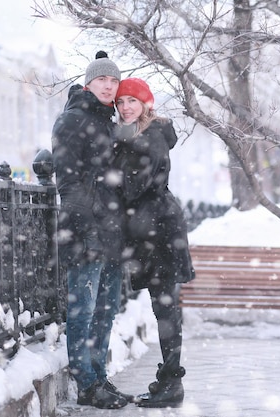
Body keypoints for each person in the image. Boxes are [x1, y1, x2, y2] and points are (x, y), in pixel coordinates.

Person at [51, 51, 132, 409]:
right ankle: (86, 383)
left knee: (105, 311)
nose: (108, 86)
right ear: (89, 83)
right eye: (102, 80)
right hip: (85, 234)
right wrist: (88, 232)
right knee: (83, 312)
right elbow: (69, 185)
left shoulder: (107, 123)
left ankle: (99, 376)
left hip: (110, 234)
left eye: (113, 81)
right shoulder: (72, 121)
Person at [112, 77, 195, 408]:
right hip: (153, 229)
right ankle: (169, 378)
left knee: (165, 308)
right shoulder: (138, 135)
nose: (125, 107)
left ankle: (172, 382)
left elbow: (138, 182)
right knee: (164, 307)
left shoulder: (153, 135)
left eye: (132, 101)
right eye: (120, 103)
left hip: (159, 232)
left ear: (146, 103)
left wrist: (111, 180)